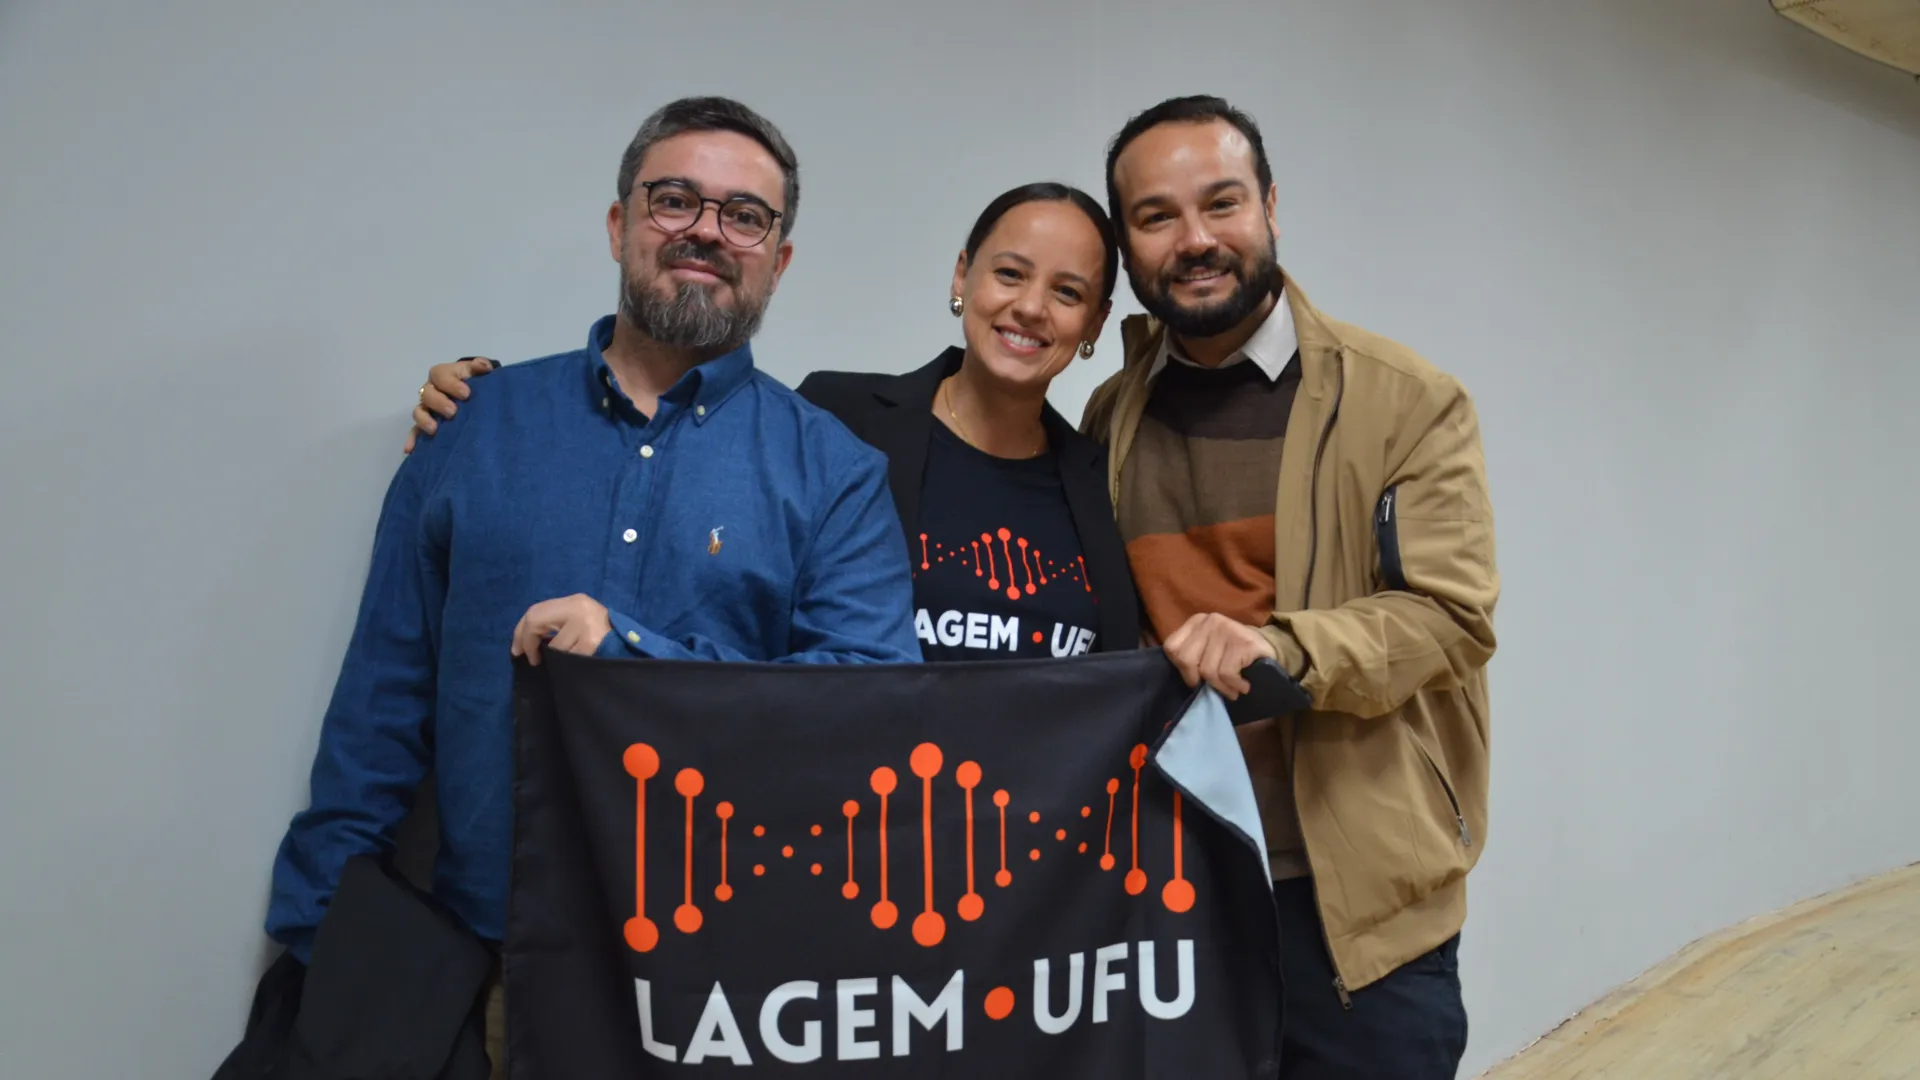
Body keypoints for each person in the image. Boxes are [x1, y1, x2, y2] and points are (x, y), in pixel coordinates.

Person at [266, 96, 920, 1078]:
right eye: (675, 200)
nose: (707, 230)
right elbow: (379, 710)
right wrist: (322, 947)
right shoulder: (473, 426)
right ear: (620, 224)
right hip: (474, 983)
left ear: (778, 260)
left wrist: (633, 657)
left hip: (717, 1002)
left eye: (745, 216)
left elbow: (867, 714)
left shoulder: (835, 472)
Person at [1087, 95, 1499, 1079]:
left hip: (1353, 916)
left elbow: (1451, 618)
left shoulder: (1405, 399)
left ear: (1270, 206)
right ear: (1126, 246)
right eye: (1156, 216)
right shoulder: (1109, 417)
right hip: (1169, 890)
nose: (1195, 239)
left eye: (1221, 203)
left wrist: (1282, 649)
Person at [410, 183, 1141, 661]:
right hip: (858, 822)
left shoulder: (1099, 476)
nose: (1030, 307)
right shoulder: (838, 418)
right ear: (963, 275)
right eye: (1010, 273)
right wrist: (503, 403)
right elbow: (676, 452)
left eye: (1067, 292)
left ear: (1095, 321)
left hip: (1041, 841)